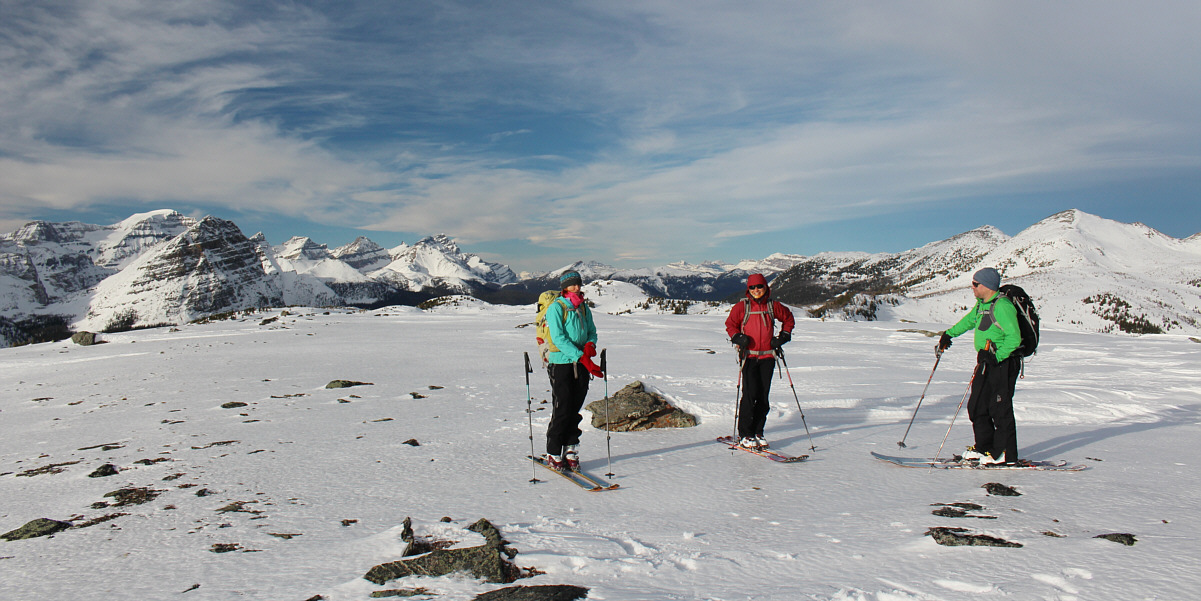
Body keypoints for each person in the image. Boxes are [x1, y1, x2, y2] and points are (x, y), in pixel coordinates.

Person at [937, 267, 1022, 465]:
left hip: (1003, 363)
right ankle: (984, 447)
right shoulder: (982, 305)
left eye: (975, 284)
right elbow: (969, 322)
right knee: (977, 406)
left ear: (986, 286)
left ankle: (1003, 454)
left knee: (999, 409)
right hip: (985, 361)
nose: (972, 287)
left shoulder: (1002, 306)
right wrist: (949, 334)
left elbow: (1014, 337)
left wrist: (997, 356)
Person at [724, 273, 795, 449]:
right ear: (748, 289)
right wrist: (738, 337)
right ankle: (745, 434)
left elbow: (788, 319)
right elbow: (730, 324)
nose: (756, 290)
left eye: (759, 287)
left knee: (763, 396)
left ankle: (758, 431)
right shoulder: (742, 307)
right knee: (749, 395)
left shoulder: (773, 306)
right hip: (749, 356)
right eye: (752, 287)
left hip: (768, 356)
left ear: (766, 287)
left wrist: (783, 336)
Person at [543, 270, 604, 470]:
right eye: (572, 285)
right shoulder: (556, 308)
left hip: (581, 364)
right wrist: (581, 357)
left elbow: (592, 331)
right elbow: (559, 339)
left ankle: (570, 447)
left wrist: (590, 346)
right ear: (564, 287)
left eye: (578, 284)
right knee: (562, 407)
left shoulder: (584, 308)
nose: (577, 287)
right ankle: (553, 451)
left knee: (575, 408)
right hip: (561, 363)